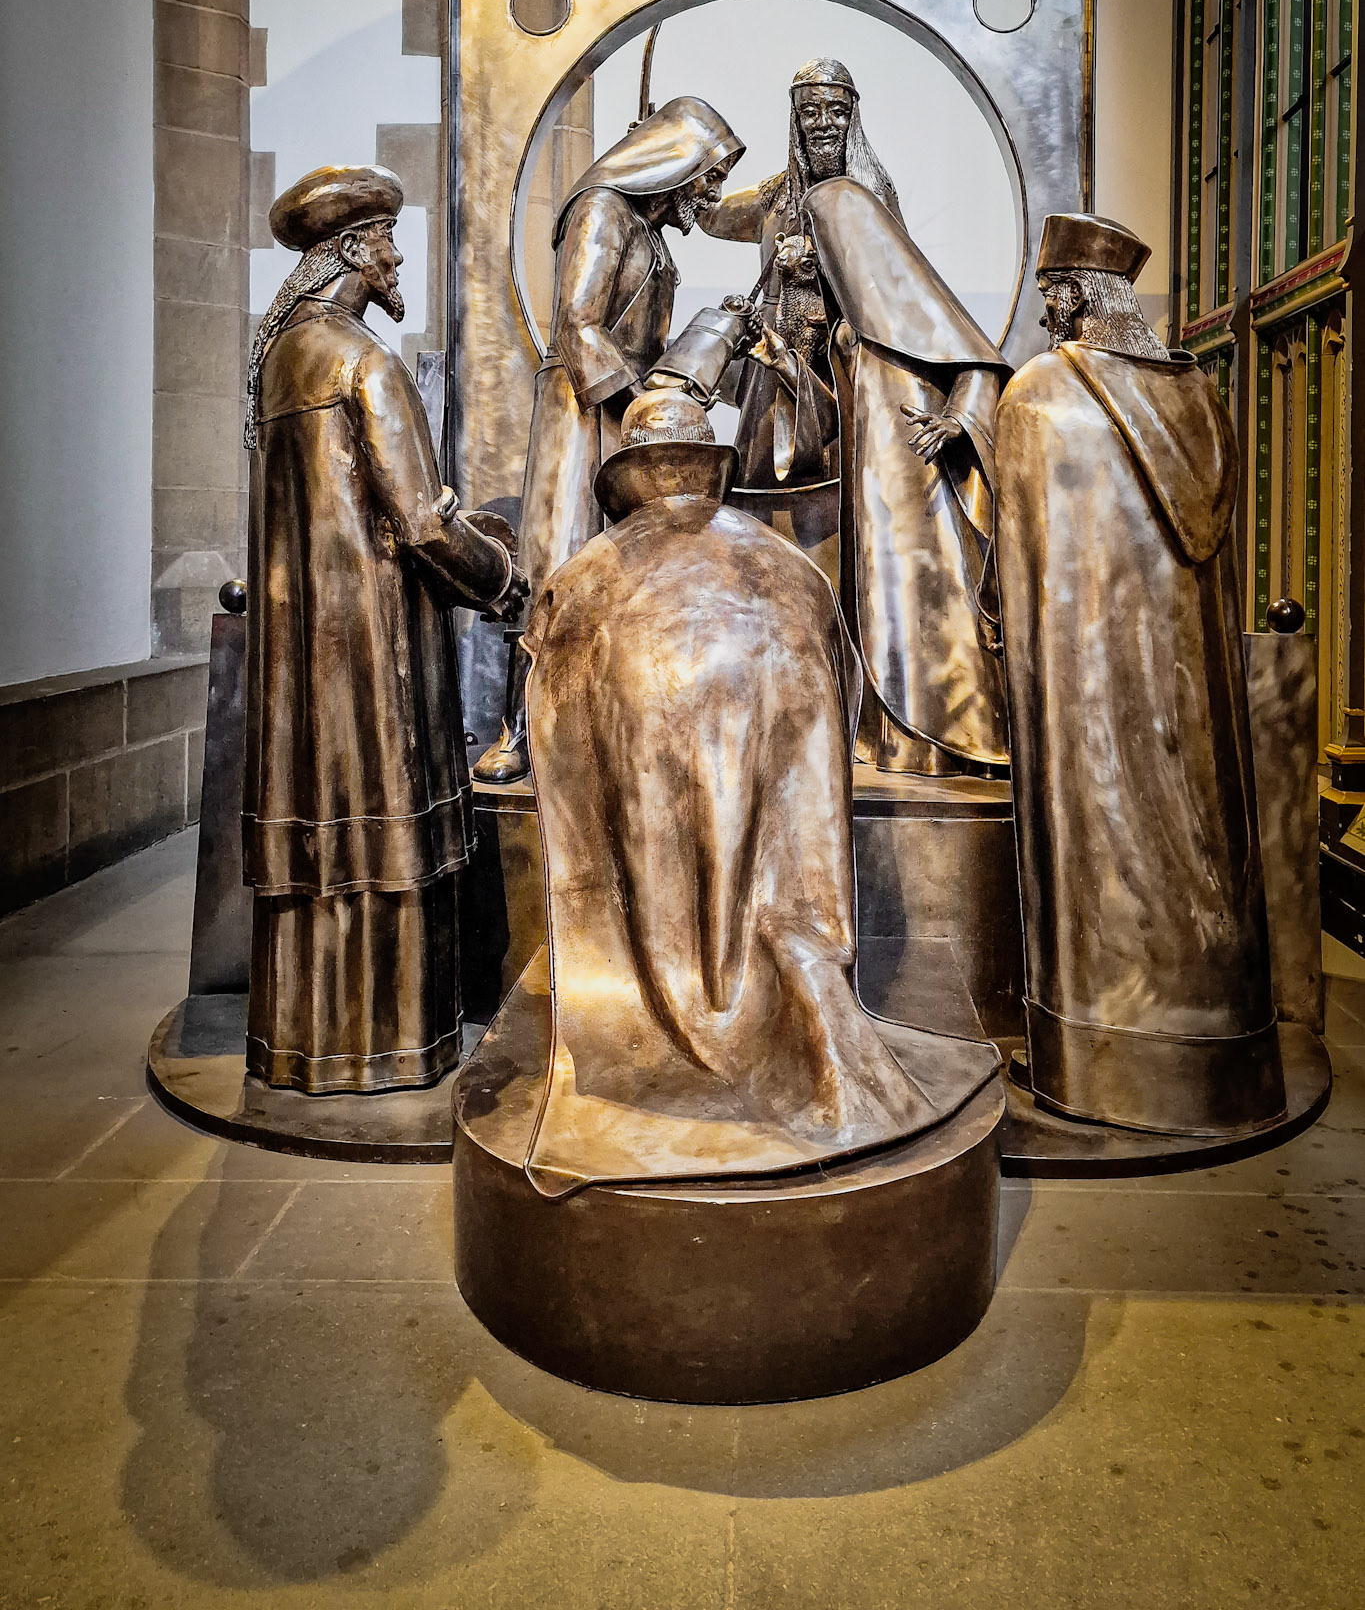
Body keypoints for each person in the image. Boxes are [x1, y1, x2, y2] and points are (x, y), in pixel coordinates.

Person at [510, 385, 999, 1195]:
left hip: (649, 755)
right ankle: (788, 1005)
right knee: (765, 876)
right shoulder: (789, 565)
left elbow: (548, 715)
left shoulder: (587, 571)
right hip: (777, 749)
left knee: (644, 841)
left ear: (626, 478)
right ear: (712, 471)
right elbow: (838, 707)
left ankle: (672, 1012)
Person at [993, 213, 1286, 1136]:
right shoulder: (1199, 396)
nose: (1047, 315)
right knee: (1197, 841)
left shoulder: (1043, 393)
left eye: (1052, 297)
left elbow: (1016, 558)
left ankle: (1098, 1057)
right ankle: (1220, 1049)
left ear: (1077, 295)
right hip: (1184, 699)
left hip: (1085, 691)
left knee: (1094, 836)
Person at [242, 164, 527, 1095]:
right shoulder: (364, 362)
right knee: (379, 822)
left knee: (320, 836)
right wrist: (505, 578)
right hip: (372, 649)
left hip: (299, 657)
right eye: (388, 242)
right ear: (354, 252)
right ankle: (397, 1044)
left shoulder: (285, 362)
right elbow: (425, 524)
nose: (396, 258)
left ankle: (303, 1046)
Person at [474, 95, 743, 784]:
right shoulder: (602, 209)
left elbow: (647, 347)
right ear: (674, 162)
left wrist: (711, 348)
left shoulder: (651, 235)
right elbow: (579, 325)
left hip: (627, 421)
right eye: (708, 176)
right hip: (581, 413)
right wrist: (636, 408)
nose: (711, 194)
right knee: (558, 568)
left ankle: (617, 724)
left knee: (635, 578)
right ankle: (522, 732)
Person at [746, 177, 1011, 774]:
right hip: (871, 492)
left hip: (920, 485)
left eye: (821, 240)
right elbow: (835, 413)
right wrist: (788, 364)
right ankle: (893, 740)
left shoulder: (910, 299)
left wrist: (957, 422)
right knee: (879, 606)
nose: (814, 254)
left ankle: (954, 739)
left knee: (927, 608)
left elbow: (980, 365)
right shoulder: (852, 327)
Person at [701, 56, 902, 487]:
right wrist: (666, 162)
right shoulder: (774, 195)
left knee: (841, 488)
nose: (824, 123)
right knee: (761, 491)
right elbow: (709, 212)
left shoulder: (875, 196)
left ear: (853, 118)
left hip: (842, 363)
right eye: (810, 112)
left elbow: (899, 286)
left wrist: (818, 261)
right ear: (796, 120)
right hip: (770, 366)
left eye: (837, 111)